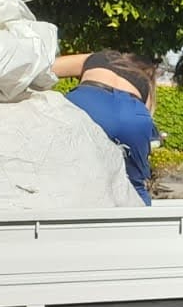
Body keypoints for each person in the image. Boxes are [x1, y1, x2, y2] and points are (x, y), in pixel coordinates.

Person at [54, 51, 159, 204]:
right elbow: (147, 118)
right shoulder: (144, 81)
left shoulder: (99, 58)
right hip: (133, 113)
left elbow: (46, 67)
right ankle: (145, 223)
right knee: (135, 185)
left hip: (89, 101)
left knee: (66, 169)